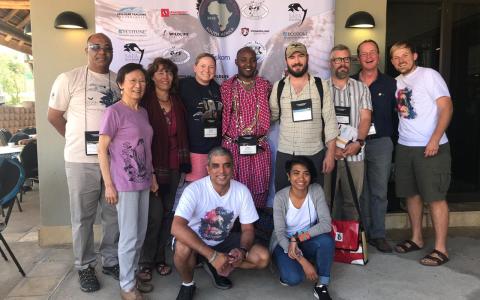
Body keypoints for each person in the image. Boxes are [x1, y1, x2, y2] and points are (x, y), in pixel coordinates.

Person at [47, 33, 121, 293]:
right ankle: (85, 266)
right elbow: (54, 116)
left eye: (107, 48)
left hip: (113, 162)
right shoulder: (69, 78)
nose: (102, 52)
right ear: (86, 49)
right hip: (81, 160)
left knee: (113, 215)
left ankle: (111, 260)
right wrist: (75, 138)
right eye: (96, 47)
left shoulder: (118, 81)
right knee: (82, 217)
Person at [171, 147, 270, 300]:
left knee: (262, 257)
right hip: (195, 240)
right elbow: (176, 227)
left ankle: (215, 264)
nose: (222, 171)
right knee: (182, 248)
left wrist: (242, 250)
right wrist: (212, 255)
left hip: (222, 240)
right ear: (208, 169)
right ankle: (188, 284)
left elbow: (248, 229)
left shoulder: (242, 191)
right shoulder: (194, 190)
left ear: (233, 168)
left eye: (227, 165)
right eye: (216, 166)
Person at [98, 63, 158, 300]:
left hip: (143, 181)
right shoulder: (114, 112)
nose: (138, 85)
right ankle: (126, 287)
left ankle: (131, 276)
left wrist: (152, 175)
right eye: (132, 80)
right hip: (124, 183)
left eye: (142, 81)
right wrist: (109, 184)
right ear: (121, 84)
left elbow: (147, 149)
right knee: (130, 236)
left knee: (139, 235)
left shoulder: (142, 112)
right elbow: (102, 150)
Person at [390, 41, 453, 266]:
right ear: (392, 62)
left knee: (435, 197)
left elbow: (446, 107)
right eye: (396, 57)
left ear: (415, 55)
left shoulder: (429, 76)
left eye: (405, 55)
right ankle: (416, 238)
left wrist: (435, 138)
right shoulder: (396, 83)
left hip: (431, 146)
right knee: (411, 195)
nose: (401, 60)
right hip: (406, 147)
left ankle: (440, 248)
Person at [138, 58, 190, 281]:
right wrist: (150, 173)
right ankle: (145, 262)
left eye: (168, 72)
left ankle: (160, 259)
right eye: (160, 72)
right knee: (154, 216)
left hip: (175, 166)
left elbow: (183, 134)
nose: (165, 77)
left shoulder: (177, 101)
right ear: (152, 76)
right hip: (153, 168)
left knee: (168, 215)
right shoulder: (144, 102)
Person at [269, 42, 339, 191]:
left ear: (307, 58)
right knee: (283, 199)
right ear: (286, 61)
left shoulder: (320, 85)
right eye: (292, 57)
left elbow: (330, 120)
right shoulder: (279, 86)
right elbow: (271, 116)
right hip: (286, 153)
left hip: (314, 153)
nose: (297, 61)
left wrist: (330, 153)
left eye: (301, 56)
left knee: (312, 203)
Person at [352, 40, 397, 252]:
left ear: (378, 56)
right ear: (358, 58)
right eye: (363, 53)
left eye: (372, 52)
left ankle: (378, 234)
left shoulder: (391, 84)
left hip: (381, 143)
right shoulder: (350, 83)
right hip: (354, 144)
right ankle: (361, 233)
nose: (368, 57)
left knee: (379, 191)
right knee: (359, 191)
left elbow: (400, 116)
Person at [270, 156, 334, 300]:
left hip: (304, 240)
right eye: (296, 173)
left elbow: (326, 224)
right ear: (288, 176)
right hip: (283, 243)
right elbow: (280, 234)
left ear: (311, 176)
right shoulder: (280, 197)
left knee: (326, 241)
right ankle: (286, 264)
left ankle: (322, 285)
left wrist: (297, 238)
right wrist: (303, 261)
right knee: (293, 278)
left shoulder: (316, 190)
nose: (301, 178)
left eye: (306, 173)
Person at [324, 44, 372, 220]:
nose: (342, 63)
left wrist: (358, 143)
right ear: (331, 63)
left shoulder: (362, 88)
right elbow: (317, 122)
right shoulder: (321, 88)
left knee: (352, 202)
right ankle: (328, 244)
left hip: (354, 155)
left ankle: (350, 245)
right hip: (328, 154)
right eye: (338, 59)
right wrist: (331, 149)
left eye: (346, 59)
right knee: (325, 201)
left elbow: (366, 118)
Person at [221, 47, 272, 208]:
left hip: (258, 147)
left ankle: (255, 225)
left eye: (252, 60)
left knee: (259, 187)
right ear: (236, 62)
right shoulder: (226, 87)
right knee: (232, 189)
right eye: (243, 59)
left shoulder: (265, 86)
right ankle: (234, 225)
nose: (248, 64)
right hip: (233, 147)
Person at [179, 53, 222, 183]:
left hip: (215, 150)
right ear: (195, 68)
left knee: (212, 190)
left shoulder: (218, 88)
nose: (207, 70)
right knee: (195, 189)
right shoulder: (183, 86)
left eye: (211, 67)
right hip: (194, 150)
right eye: (203, 66)